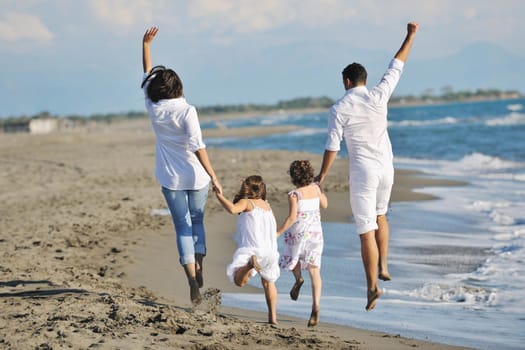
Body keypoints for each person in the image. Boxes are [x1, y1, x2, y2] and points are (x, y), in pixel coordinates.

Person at [316, 22, 419, 311]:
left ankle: (372, 286)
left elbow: (332, 146)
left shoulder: (339, 109)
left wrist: (321, 176)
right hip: (387, 168)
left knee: (365, 230)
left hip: (364, 173)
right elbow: (397, 65)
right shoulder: (378, 95)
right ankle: (384, 264)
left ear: (346, 82)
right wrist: (410, 35)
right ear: (364, 79)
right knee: (381, 214)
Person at [141, 27, 223, 305]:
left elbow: (146, 75)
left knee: (181, 225)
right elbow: (199, 147)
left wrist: (146, 45)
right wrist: (214, 176)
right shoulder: (188, 111)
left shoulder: (154, 108)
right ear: (179, 87)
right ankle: (199, 261)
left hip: (170, 177)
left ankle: (190, 278)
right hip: (197, 176)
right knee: (197, 222)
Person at [215, 175, 280, 324]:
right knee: (269, 282)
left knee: (239, 280)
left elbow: (232, 209)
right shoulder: (267, 206)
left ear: (247, 188)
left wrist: (219, 196)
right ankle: (273, 319)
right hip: (270, 251)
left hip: (253, 249)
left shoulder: (247, 202)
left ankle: (249, 265)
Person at [277, 160, 328, 327]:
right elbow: (325, 205)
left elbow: (292, 218)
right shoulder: (315, 189)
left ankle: (298, 279)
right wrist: (320, 189)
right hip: (315, 235)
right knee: (315, 271)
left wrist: (279, 231)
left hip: (298, 234)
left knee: (294, 259)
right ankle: (316, 307)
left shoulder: (294, 195)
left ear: (293, 177)